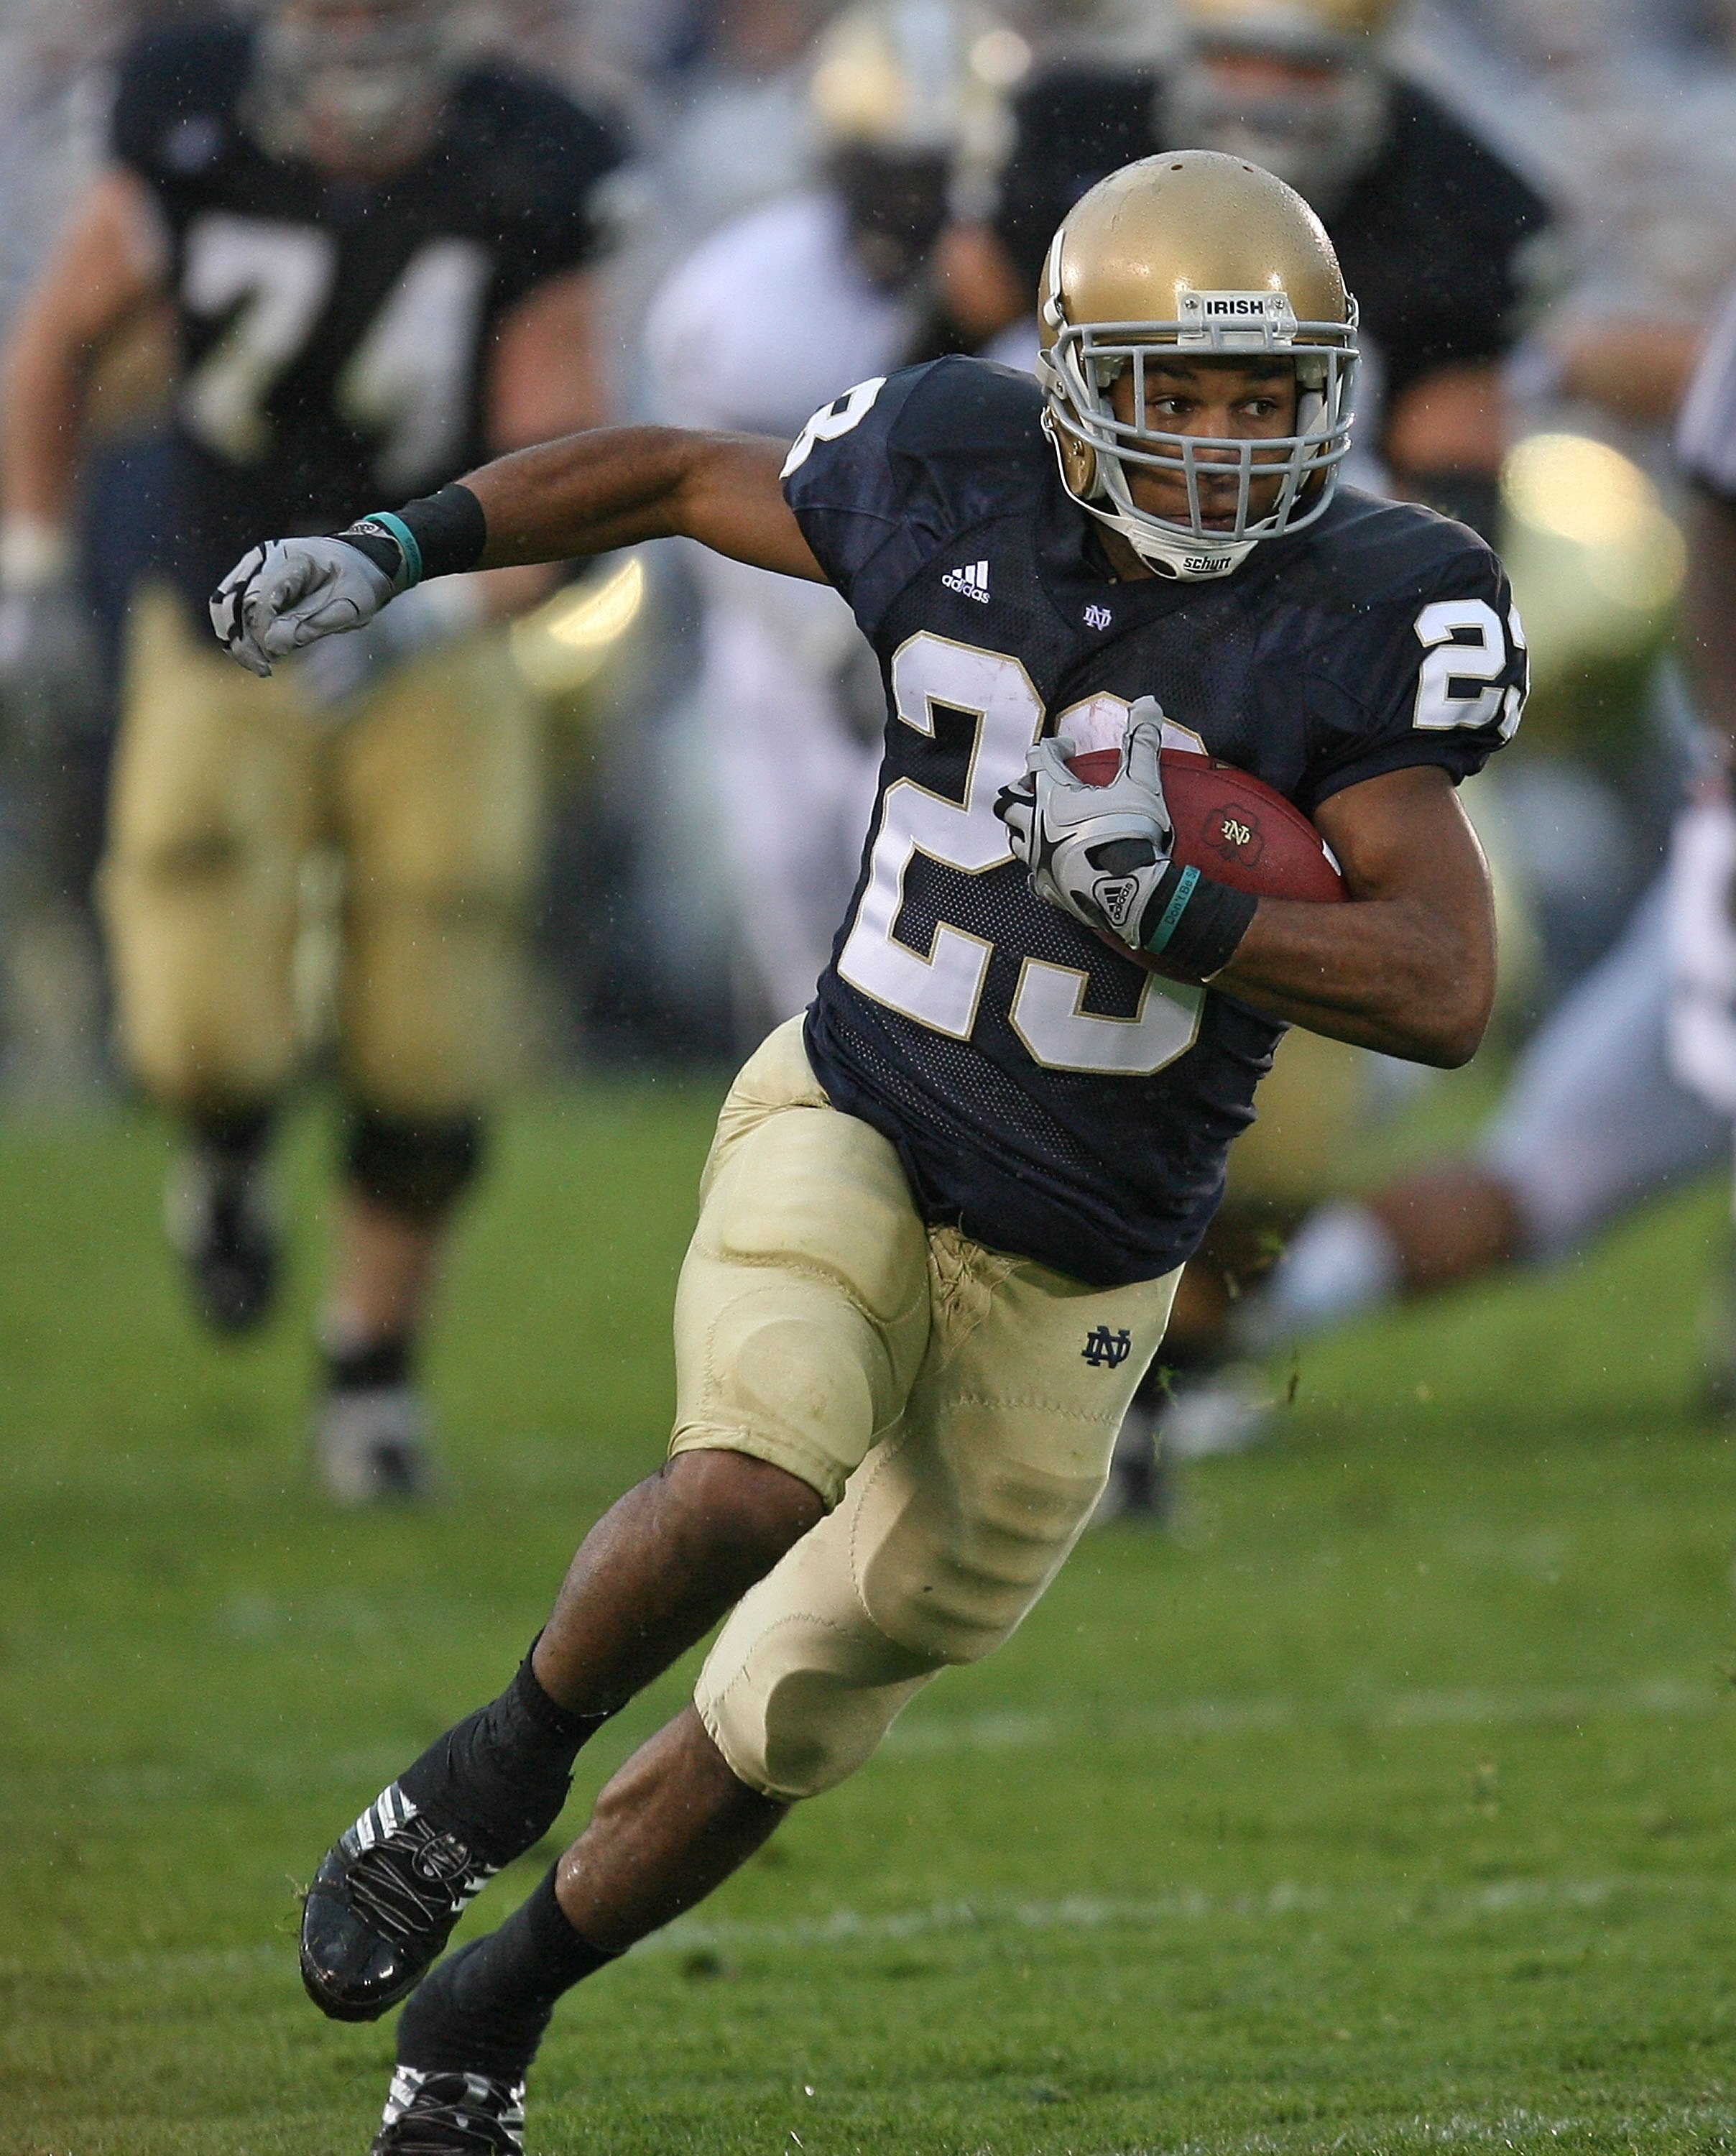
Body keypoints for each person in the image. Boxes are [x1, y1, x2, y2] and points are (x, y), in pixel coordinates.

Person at [214, 152, 1523, 2153]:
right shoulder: (949, 458)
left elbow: (1442, 982)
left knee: (791, 1708)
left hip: (1091, 1259)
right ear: (1078, 378)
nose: (1231, 440)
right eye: (1184, 389)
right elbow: (661, 470)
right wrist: (404, 544)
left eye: (1271, 398)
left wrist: (1189, 917)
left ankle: (486, 2012)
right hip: (864, 1108)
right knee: (753, 1476)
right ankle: (477, 1780)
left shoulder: (1377, 603)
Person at [0, 0, 625, 1501]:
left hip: (433, 620)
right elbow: (58, 347)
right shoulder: (189, 102)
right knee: (200, 1012)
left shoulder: (530, 148)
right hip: (215, 608)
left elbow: (562, 449)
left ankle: (371, 1366)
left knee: (430, 997)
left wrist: (427, 615)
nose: (356, 56)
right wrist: (27, 579)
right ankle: (220, 1150)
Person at [930, 0, 1551, 1506]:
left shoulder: (1450, 198)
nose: (1267, 99)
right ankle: (967, 1364)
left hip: (1277, 665)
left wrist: (1369, 666)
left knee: (1279, 1092)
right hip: (1046, 636)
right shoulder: (1074, 138)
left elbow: (1458, 499)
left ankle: (1159, 1358)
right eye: (1243, 61)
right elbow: (937, 378)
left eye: (1304, 68)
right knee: (983, 1036)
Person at [641, 0, 1023, 1033]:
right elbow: (717, 503)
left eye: (943, 171)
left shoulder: (1035, 300)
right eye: (895, 168)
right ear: (838, 159)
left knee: (941, 942)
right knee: (799, 924)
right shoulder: (747, 298)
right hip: (784, 639)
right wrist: (827, 642)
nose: (919, 202)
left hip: (971, 644)